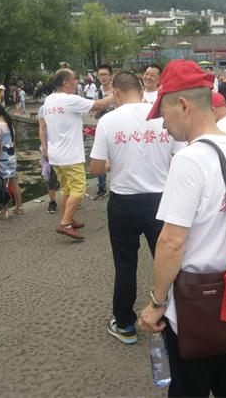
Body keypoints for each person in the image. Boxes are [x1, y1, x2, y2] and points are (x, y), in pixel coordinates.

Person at [138, 59, 226, 397]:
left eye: (163, 114)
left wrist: (156, 302)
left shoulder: (190, 160)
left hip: (195, 303)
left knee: (189, 387)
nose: (163, 125)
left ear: (183, 105)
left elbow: (171, 242)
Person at [90, 71, 177, 345]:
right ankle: (173, 321)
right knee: (167, 262)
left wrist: (113, 162)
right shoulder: (163, 117)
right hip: (160, 201)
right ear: (141, 89)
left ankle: (125, 325)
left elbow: (96, 168)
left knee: (125, 265)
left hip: (123, 202)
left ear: (116, 92)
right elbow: (179, 157)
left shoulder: (108, 121)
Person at [41, 68, 114, 239]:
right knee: (78, 188)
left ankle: (68, 218)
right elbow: (100, 105)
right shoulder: (69, 100)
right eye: (74, 78)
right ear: (66, 82)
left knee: (66, 188)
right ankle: (65, 223)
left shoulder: (49, 100)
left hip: (55, 155)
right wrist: (116, 91)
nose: (77, 81)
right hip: (70, 156)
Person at [0, 103, 23, 219]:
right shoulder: (9, 125)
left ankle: (4, 211)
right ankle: (19, 207)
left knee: (2, 186)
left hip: (2, 160)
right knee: (14, 182)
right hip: (11, 159)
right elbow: (13, 143)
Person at [92, 64, 116, 200]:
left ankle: (117, 186)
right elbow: (94, 115)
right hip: (102, 131)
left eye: (105, 74)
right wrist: (100, 110)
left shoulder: (117, 91)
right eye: (100, 75)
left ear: (111, 76)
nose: (103, 77)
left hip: (117, 130)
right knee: (100, 158)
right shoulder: (97, 94)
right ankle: (101, 187)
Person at [38, 104, 59, 214]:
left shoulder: (66, 104)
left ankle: (72, 198)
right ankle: (52, 201)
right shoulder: (44, 108)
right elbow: (41, 129)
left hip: (64, 146)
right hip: (50, 145)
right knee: (52, 176)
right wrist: (44, 149)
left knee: (68, 175)